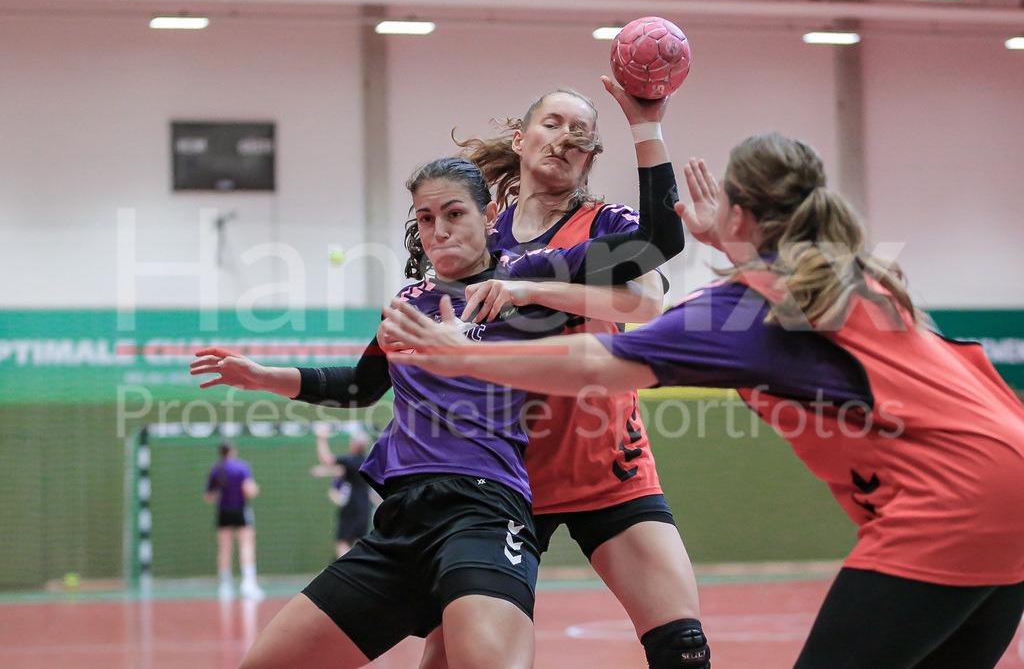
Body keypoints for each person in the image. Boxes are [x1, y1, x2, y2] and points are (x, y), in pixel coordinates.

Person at [383, 131, 1024, 668]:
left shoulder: (747, 308)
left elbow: (593, 363)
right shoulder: (853, 278)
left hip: (955, 500)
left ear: (738, 211)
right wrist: (730, 243)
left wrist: (458, 353)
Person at [188, 93, 686, 667]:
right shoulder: (408, 302)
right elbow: (360, 385)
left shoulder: (520, 283)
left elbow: (654, 253)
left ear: (487, 219)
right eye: (427, 218)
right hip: (402, 520)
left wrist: (646, 127)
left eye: (455, 214)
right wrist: (264, 376)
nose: (440, 229)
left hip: (484, 510)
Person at [409, 82, 708, 669]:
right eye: (552, 123)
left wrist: (529, 290)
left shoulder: (607, 225)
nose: (565, 138)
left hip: (608, 469)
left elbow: (646, 305)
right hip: (505, 481)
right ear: (521, 140)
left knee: (684, 648)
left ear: (591, 155)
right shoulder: (480, 237)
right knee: (449, 661)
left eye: (580, 132)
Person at [204, 440, 265, 602]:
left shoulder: (216, 469)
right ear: (233, 451)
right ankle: (248, 583)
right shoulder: (242, 467)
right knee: (246, 544)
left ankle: (225, 585)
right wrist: (254, 489)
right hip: (240, 510)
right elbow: (249, 490)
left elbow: (209, 496)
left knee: (224, 547)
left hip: (223, 511)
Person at [311, 422, 374, 557]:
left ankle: (347, 573)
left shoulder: (350, 460)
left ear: (355, 445)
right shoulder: (367, 461)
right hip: (365, 506)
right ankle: (359, 573)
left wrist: (321, 438)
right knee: (358, 541)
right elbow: (340, 470)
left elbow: (327, 460)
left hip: (351, 504)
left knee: (341, 542)